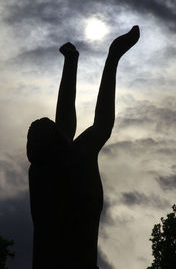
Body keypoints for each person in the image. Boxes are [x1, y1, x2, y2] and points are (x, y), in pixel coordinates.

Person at [27, 25, 140, 269]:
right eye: (50, 126)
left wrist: (71, 63)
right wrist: (113, 58)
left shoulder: (41, 170)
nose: (54, 122)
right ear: (58, 142)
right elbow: (102, 123)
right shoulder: (75, 163)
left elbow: (65, 127)